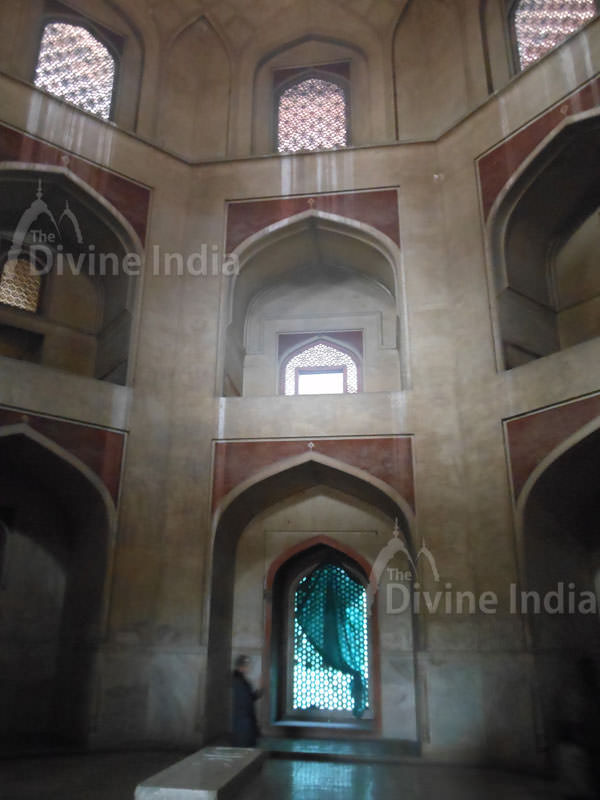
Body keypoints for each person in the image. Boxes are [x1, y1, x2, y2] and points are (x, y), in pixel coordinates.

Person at [231, 654, 263, 747]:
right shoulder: (238, 682)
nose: (249, 667)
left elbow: (250, 698)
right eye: (247, 665)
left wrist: (260, 690)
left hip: (245, 721)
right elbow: (246, 702)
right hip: (243, 723)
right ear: (242, 667)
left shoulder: (241, 680)